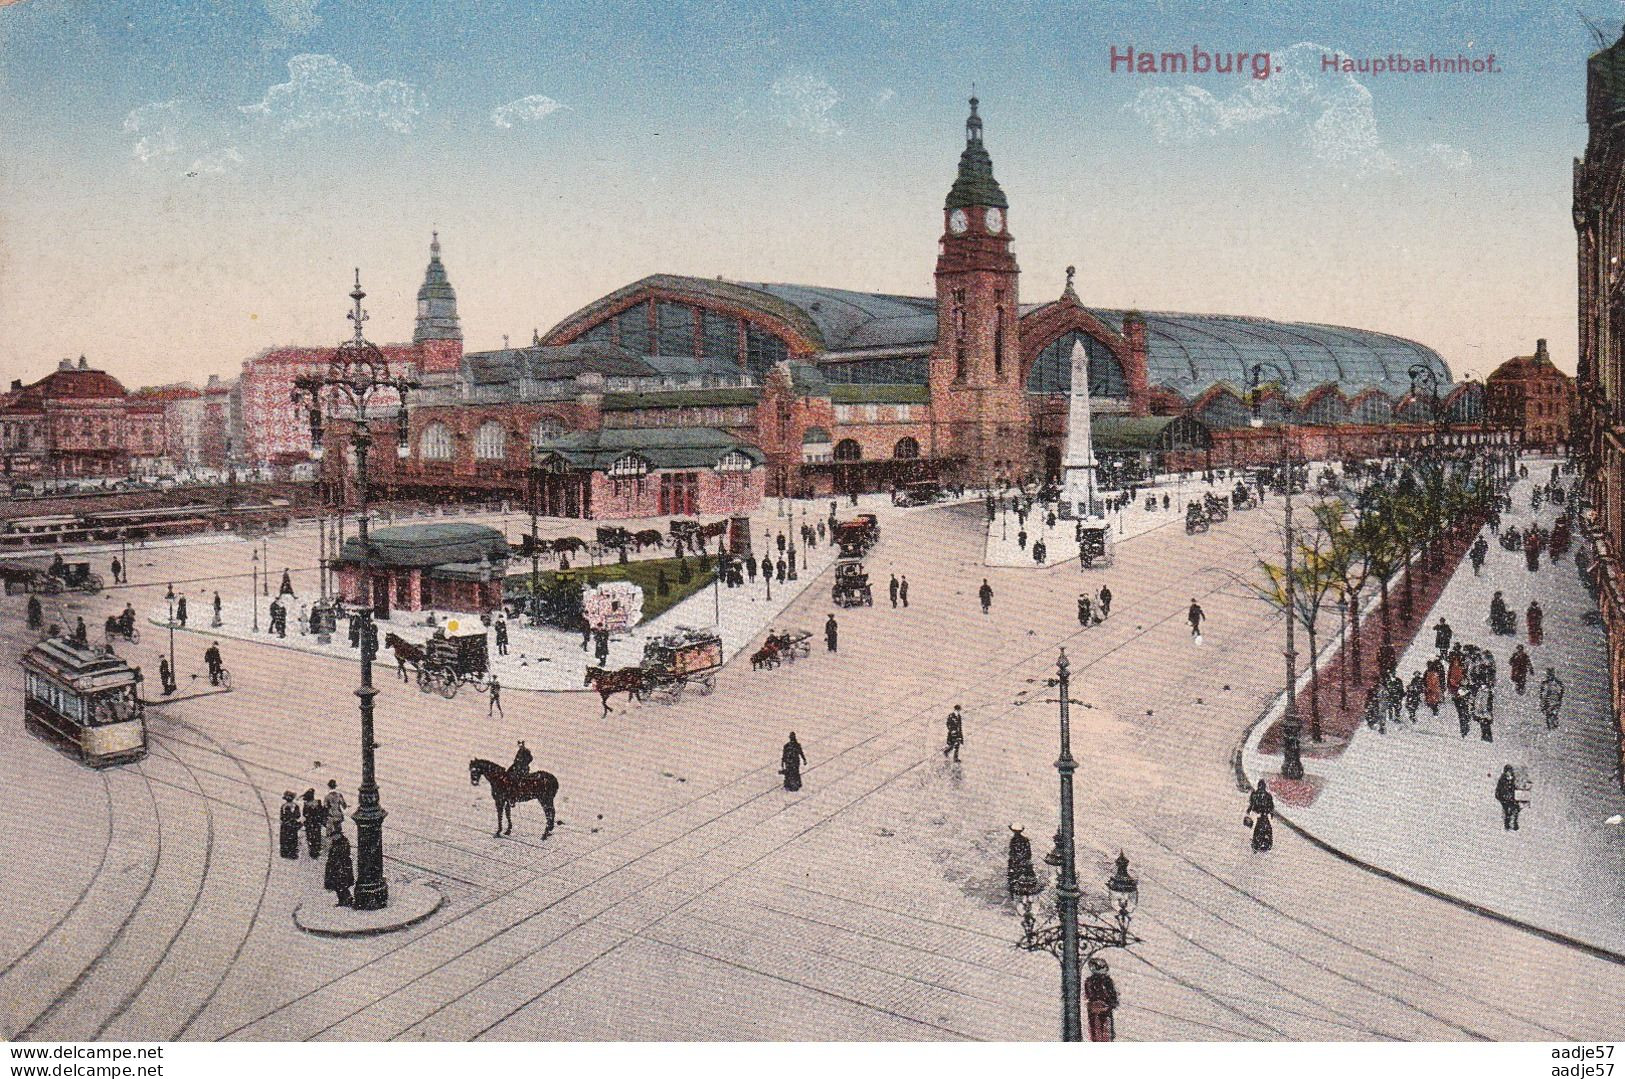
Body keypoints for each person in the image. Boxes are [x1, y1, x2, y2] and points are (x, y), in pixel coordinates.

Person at [1084, 957, 1119, 1042]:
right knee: (1096, 1030)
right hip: (1096, 1010)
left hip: (1105, 1009)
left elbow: (1113, 995)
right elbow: (1089, 996)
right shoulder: (1090, 981)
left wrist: (1109, 1004)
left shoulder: (1107, 981)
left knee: (1106, 1030)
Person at [325, 824, 356, 907]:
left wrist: (337, 862)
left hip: (342, 866)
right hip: (336, 867)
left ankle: (347, 899)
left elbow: (342, 854)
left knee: (341, 883)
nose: (332, 838)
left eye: (334, 836)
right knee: (337, 885)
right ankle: (343, 900)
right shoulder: (336, 843)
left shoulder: (343, 843)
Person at [1006, 824, 1038, 900]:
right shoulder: (1025, 840)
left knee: (1011, 877)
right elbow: (1029, 853)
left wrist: (1013, 862)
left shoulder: (1013, 841)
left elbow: (1012, 853)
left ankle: (1013, 896)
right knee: (1029, 879)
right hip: (1025, 862)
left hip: (1017, 863)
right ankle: (1028, 894)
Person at [1246, 778, 1274, 852]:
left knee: (1255, 827)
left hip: (1259, 814)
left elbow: (1252, 803)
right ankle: (1267, 843)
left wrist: (1249, 810)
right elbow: (1271, 805)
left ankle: (1256, 843)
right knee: (1268, 828)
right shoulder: (1268, 795)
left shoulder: (1255, 794)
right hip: (1264, 814)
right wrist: (1271, 813)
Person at [1495, 765, 1521, 831]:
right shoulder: (1502, 779)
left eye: (1510, 771)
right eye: (1508, 771)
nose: (1509, 772)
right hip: (1504, 798)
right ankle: (1507, 825)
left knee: (1516, 808)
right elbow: (1500, 790)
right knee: (1507, 811)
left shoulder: (1512, 778)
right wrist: (1503, 796)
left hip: (1511, 797)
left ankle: (1514, 823)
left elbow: (1513, 787)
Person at [300, 789, 325, 859]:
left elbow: (304, 814)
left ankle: (313, 850)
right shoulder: (318, 802)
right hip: (317, 823)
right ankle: (317, 849)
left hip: (310, 823)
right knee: (317, 835)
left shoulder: (306, 804)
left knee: (310, 836)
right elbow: (322, 811)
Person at [278, 791, 301, 860]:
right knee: (293, 838)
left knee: (285, 839)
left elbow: (282, 817)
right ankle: (292, 853)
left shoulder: (284, 806)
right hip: (293, 824)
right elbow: (298, 815)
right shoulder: (296, 806)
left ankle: (285, 853)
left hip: (285, 825)